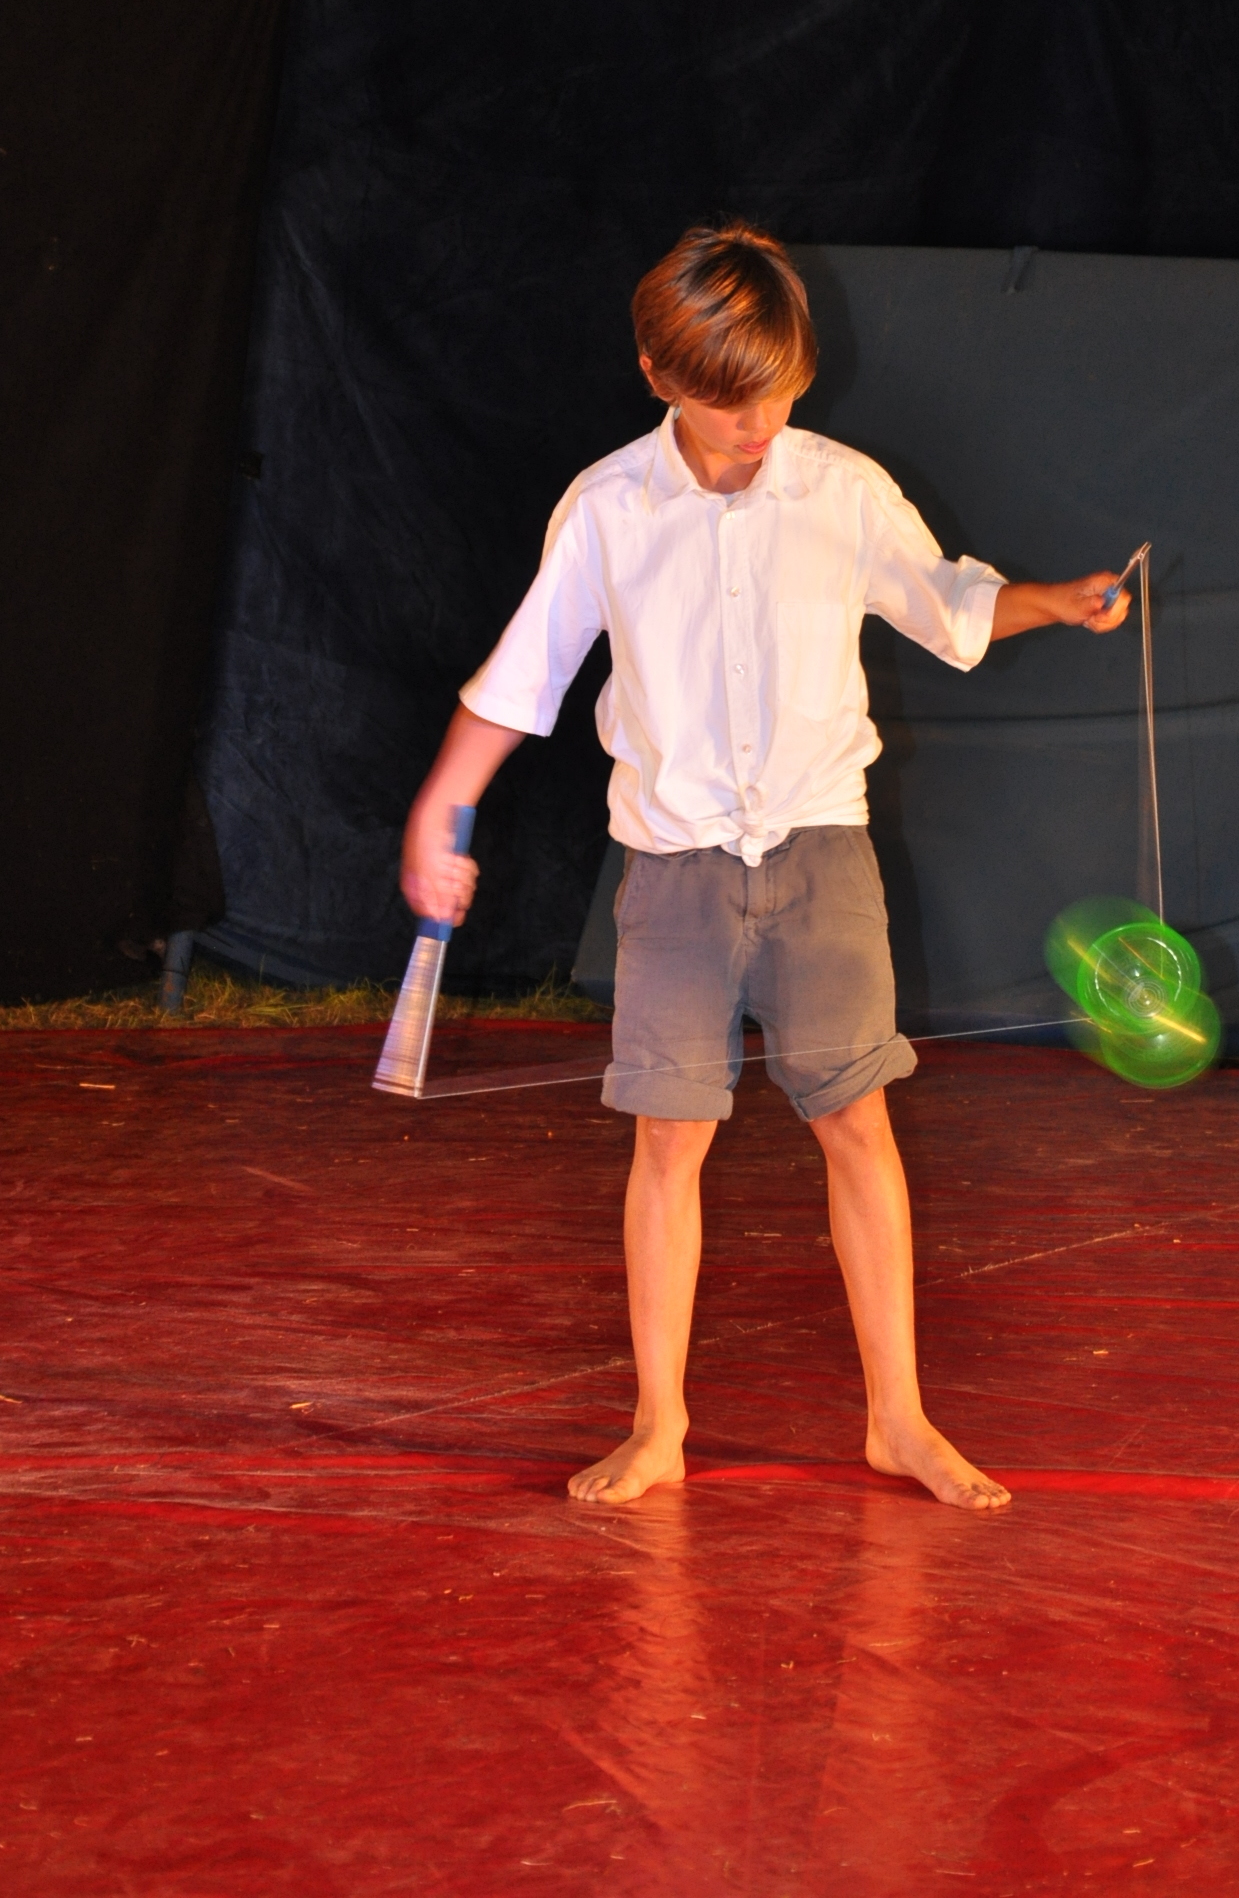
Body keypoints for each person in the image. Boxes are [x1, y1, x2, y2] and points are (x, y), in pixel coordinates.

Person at [401, 223, 1130, 1514]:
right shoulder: (608, 507)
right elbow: (521, 680)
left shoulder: (841, 489)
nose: (761, 425)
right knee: (668, 1142)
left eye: (783, 393)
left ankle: (898, 1420)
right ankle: (660, 1426)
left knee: (859, 1124)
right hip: (674, 871)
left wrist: (1055, 601)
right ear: (658, 376)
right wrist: (438, 809)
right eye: (733, 402)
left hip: (822, 854)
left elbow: (952, 604)